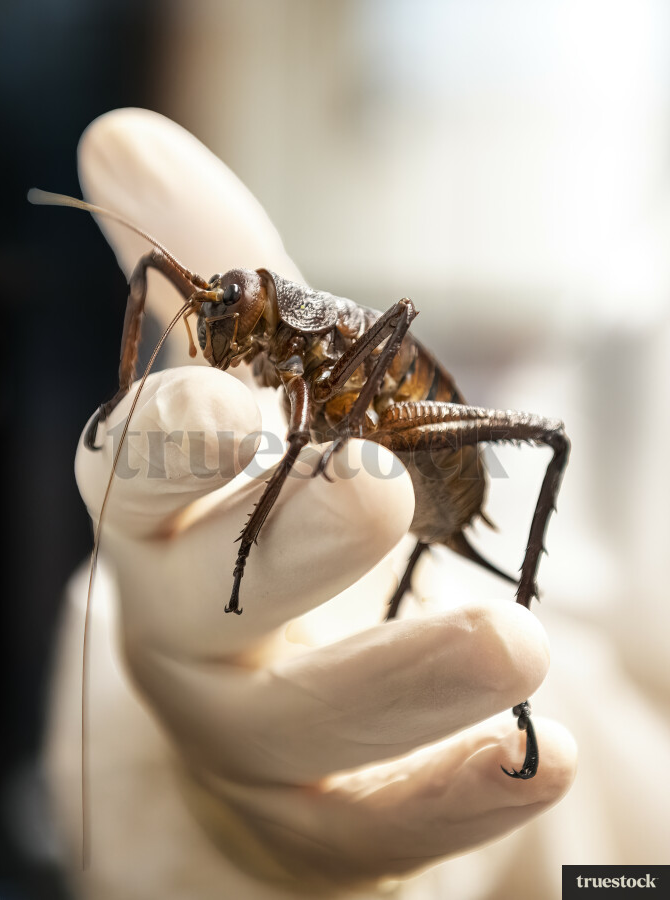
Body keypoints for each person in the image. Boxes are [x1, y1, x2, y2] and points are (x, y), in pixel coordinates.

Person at [45, 108, 576, 899]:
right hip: (372, 442)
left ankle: (520, 684)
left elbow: (391, 330)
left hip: (414, 423)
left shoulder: (324, 340)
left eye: (228, 313)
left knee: (551, 437)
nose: (218, 331)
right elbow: (153, 285)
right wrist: (123, 414)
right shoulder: (268, 340)